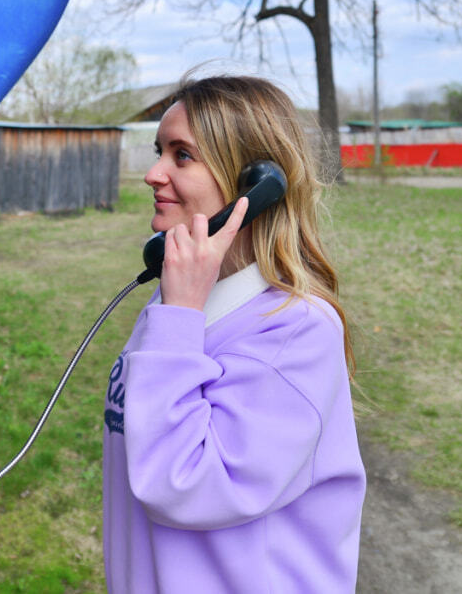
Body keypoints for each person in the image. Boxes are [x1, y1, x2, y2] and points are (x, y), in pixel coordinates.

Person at [102, 74, 365, 593]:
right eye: (160, 150)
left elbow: (183, 487)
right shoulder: (175, 305)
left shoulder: (295, 330)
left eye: (182, 156)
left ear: (254, 185)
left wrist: (179, 316)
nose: (153, 173)